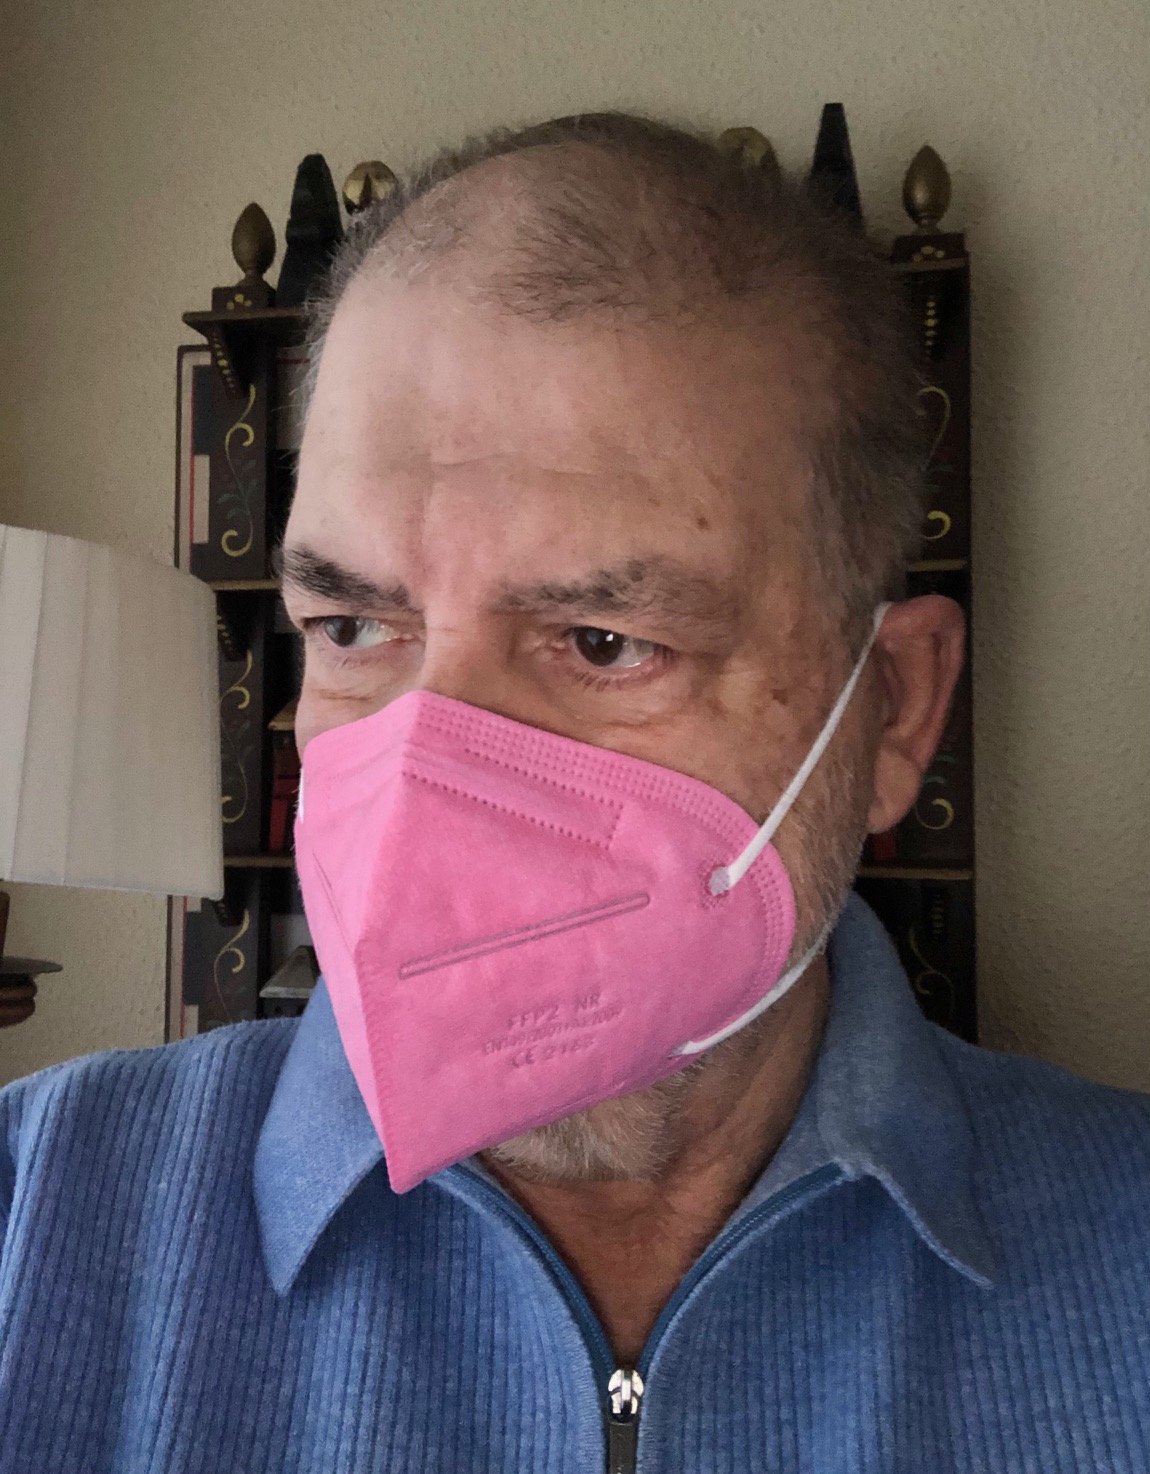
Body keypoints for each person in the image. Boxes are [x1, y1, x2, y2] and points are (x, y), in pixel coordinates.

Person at [1, 114, 1148, 1474]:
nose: (426, 785)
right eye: (353, 628)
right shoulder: (32, 1208)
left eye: (603, 643)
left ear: (893, 711)